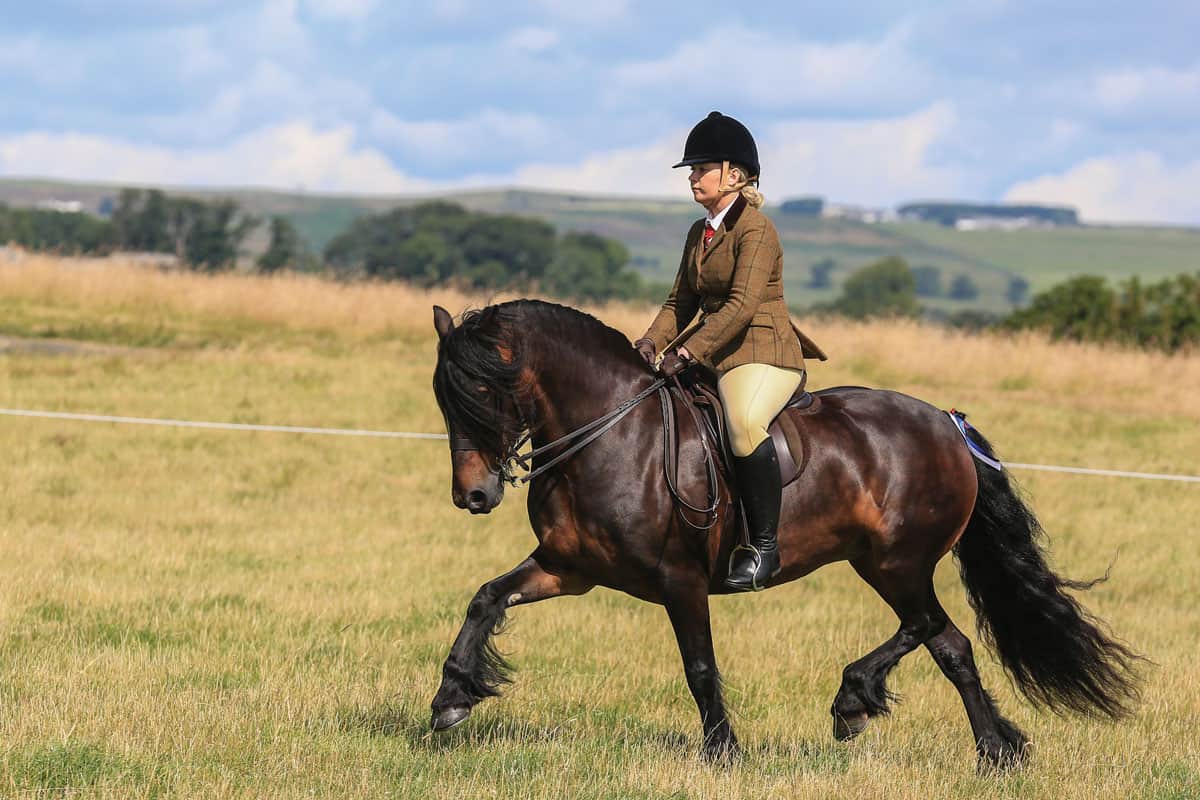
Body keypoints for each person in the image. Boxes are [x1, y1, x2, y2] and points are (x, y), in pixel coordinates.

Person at [633, 111, 825, 592]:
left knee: (742, 425)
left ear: (734, 176)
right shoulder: (699, 234)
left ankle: (763, 548)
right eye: (692, 170)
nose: (693, 176)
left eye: (701, 168)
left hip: (763, 351)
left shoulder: (757, 230)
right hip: (716, 351)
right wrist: (649, 343)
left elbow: (740, 306)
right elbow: (680, 302)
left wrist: (688, 353)